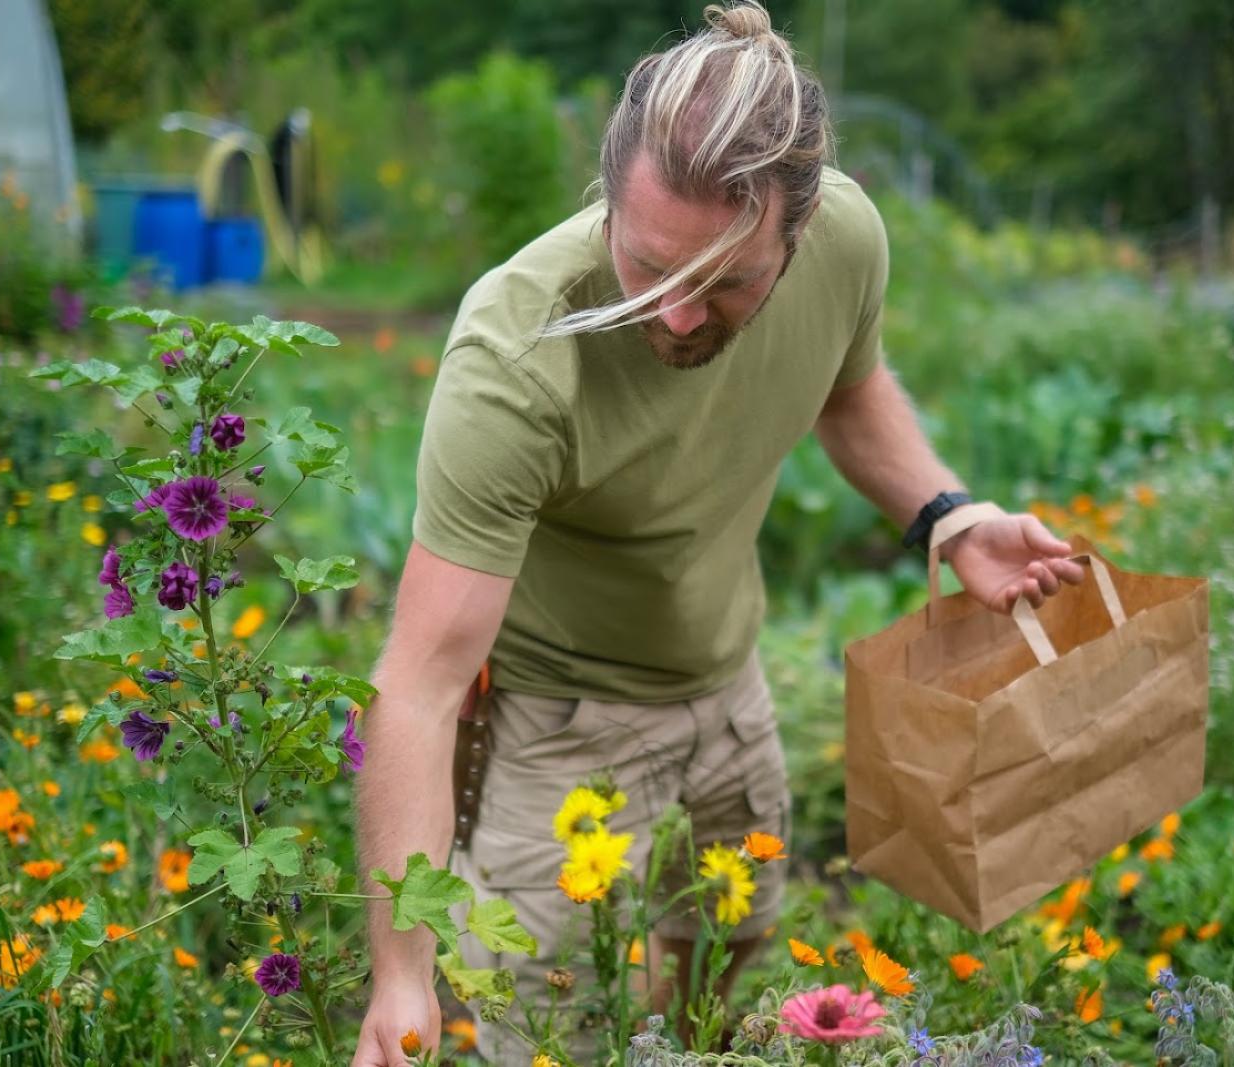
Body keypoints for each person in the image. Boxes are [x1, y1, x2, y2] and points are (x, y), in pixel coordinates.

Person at [351, 4, 1084, 1064]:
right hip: (562, 730)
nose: (679, 317)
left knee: (724, 992)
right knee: (553, 1031)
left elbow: (850, 387)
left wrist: (947, 513)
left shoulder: (846, 239)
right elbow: (418, 682)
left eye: (726, 283)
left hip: (729, 696)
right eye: (651, 268)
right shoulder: (517, 359)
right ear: (609, 192)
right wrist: (402, 973)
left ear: (799, 232)